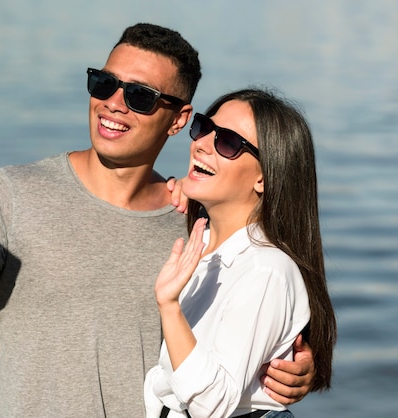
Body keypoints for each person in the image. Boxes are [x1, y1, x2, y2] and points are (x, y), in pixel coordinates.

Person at [0, 23, 316, 417]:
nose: (114, 102)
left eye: (140, 96)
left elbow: (247, 331)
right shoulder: (14, 193)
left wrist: (284, 371)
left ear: (178, 120)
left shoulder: (196, 222)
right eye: (104, 83)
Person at [144, 88, 337, 418]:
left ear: (264, 176)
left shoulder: (266, 270)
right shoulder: (201, 245)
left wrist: (169, 307)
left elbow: (213, 404)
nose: (202, 143)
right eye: (204, 127)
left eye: (228, 142)